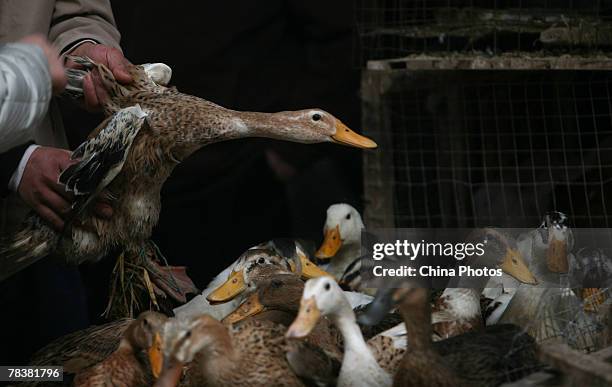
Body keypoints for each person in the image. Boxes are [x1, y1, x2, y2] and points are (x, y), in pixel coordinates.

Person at [0, 0, 130, 364]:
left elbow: (74, 11)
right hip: (29, 181)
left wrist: (82, 49)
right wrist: (12, 162)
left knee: (50, 373)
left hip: (42, 231)